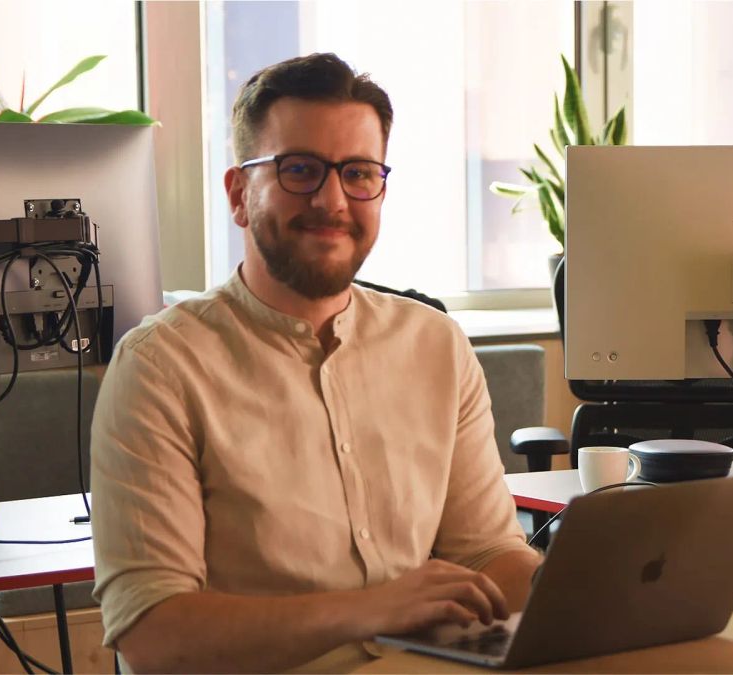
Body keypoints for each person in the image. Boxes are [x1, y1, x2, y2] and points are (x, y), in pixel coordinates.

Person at [90, 53, 542, 673]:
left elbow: (488, 551)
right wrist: (372, 609)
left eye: (358, 173)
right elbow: (153, 634)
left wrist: (582, 601)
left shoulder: (436, 344)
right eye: (299, 169)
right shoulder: (160, 367)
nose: (332, 200)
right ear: (239, 194)